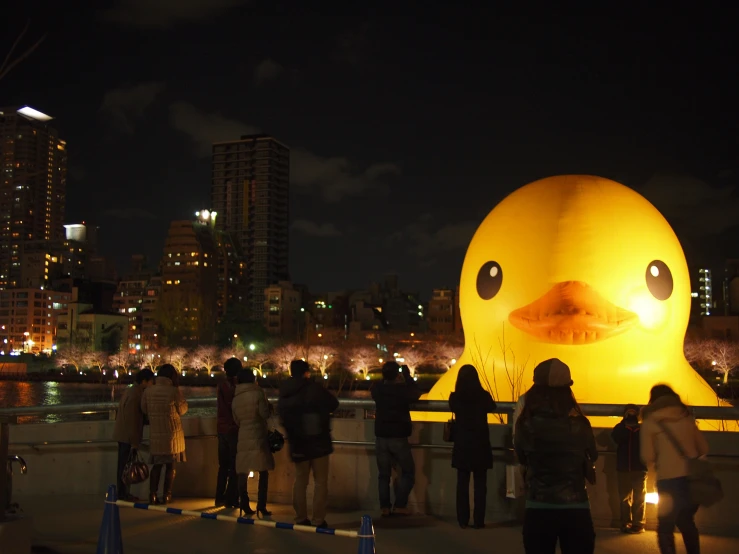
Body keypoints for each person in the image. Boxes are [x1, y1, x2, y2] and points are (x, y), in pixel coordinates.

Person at [514, 358, 597, 554]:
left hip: (539, 506)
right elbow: (593, 454)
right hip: (576, 506)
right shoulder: (581, 424)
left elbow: (521, 458)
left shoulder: (526, 425)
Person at [640, 384, 708, 554]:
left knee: (665, 527)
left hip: (668, 480)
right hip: (692, 480)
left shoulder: (650, 421)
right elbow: (704, 448)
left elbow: (647, 456)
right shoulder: (686, 417)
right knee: (686, 522)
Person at [278, 359, 339, 528]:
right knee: (320, 482)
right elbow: (334, 404)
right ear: (306, 372)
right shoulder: (314, 388)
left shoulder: (285, 391)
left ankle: (300, 518)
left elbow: (281, 413)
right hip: (319, 440)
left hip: (297, 441)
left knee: (300, 481)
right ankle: (318, 519)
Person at [371, 361, 422, 516]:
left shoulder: (378, 390)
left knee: (383, 475)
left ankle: (384, 507)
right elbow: (416, 392)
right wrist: (407, 376)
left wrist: (386, 376)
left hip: (381, 436)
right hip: (399, 437)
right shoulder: (402, 390)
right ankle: (400, 504)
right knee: (408, 472)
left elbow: (376, 387)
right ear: (397, 375)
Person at [449, 364, 496, 529]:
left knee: (462, 483)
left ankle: (462, 520)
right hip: (480, 443)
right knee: (480, 484)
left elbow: (453, 407)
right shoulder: (483, 396)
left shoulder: (455, 397)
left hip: (462, 443)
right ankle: (479, 520)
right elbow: (492, 407)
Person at [141, 364, 188, 505]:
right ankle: (167, 495)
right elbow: (183, 410)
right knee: (170, 465)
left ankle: (152, 495)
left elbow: (144, 409)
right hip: (172, 434)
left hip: (156, 433)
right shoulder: (174, 391)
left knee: (157, 465)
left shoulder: (148, 391)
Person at [232, 367, 275, 518]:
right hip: (258, 434)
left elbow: (236, 419)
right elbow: (264, 414)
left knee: (242, 471)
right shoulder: (258, 392)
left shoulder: (236, 397)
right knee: (263, 471)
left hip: (243, 434)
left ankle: (244, 502)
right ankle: (261, 505)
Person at [113, 368, 154, 500]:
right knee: (125, 466)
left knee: (124, 465)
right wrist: (134, 442)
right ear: (144, 381)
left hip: (123, 434)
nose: (152, 385)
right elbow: (133, 420)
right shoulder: (136, 395)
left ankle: (123, 493)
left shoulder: (131, 391)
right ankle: (123, 493)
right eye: (151, 382)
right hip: (127, 436)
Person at [611, 404, 647, 534]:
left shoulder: (643, 429)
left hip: (639, 468)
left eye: (633, 413)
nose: (631, 416)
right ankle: (625, 522)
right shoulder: (620, 428)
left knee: (639, 497)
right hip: (624, 468)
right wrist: (624, 425)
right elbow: (617, 438)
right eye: (629, 413)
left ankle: (638, 524)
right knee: (624, 498)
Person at [215, 358, 240, 508]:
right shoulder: (234, 386)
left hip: (221, 428)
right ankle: (231, 498)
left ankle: (219, 497)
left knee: (223, 466)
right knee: (234, 466)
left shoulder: (221, 385)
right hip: (233, 429)